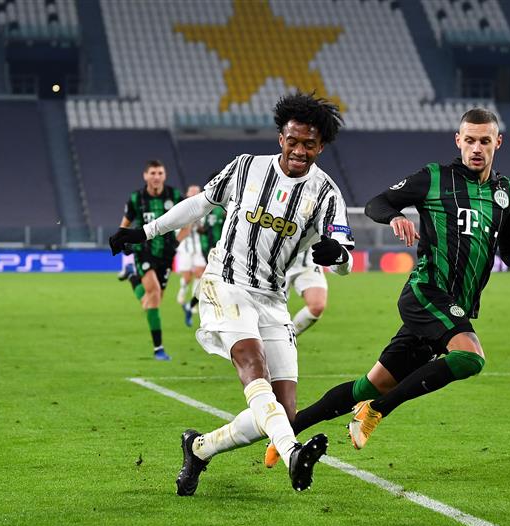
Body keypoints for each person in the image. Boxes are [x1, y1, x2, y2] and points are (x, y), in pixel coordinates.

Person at [263, 108, 510, 462]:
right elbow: (377, 204)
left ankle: (286, 434)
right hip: (426, 292)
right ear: (458, 141)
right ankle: (377, 411)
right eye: (470, 140)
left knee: (368, 386)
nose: (476, 148)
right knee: (470, 358)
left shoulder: (505, 192)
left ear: (498, 142)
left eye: (485, 141)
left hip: (450, 305)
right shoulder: (435, 178)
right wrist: (396, 216)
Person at [109, 93, 354, 494]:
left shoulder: (326, 194)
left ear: (320, 147)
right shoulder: (245, 168)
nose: (299, 150)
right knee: (249, 358)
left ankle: (200, 448)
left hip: (273, 298)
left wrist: (337, 255)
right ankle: (292, 453)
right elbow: (199, 206)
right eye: (293, 140)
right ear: (281, 138)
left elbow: (345, 260)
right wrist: (145, 232)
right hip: (225, 282)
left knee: (283, 411)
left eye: (309, 144)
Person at [118, 160, 183, 361]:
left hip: (166, 253)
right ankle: (158, 349)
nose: (156, 176)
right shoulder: (137, 198)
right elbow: (125, 223)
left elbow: (189, 221)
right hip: (144, 250)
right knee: (153, 293)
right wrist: (123, 239)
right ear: (145, 176)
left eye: (160, 173)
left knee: (152, 302)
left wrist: (176, 243)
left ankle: (133, 280)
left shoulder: (174, 196)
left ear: (165, 176)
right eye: (152, 173)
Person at [175, 185, 207, 326]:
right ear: (187, 194)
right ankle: (182, 292)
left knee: (200, 274)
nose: (194, 194)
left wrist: (200, 225)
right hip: (185, 248)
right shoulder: (181, 208)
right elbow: (177, 229)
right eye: (192, 192)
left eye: (197, 192)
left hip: (199, 247)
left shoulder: (205, 209)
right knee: (187, 277)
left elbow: (204, 229)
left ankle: (192, 304)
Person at [285, 249, 327, 336]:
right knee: (270, 310)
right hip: (277, 261)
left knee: (317, 306)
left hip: (308, 261)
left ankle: (289, 337)